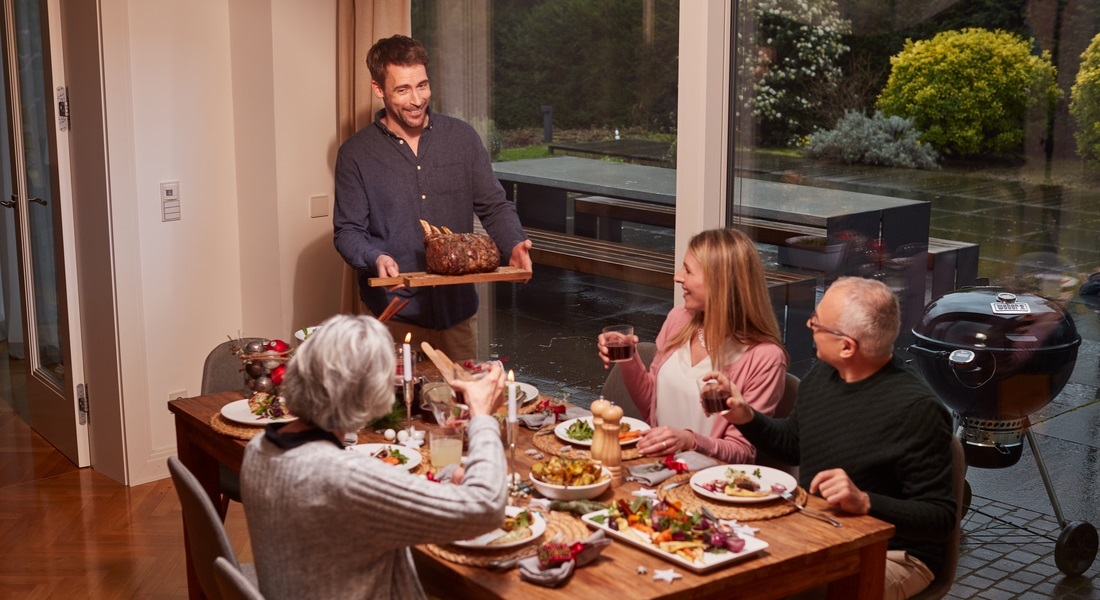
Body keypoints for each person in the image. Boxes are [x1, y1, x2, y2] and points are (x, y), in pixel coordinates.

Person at [713, 276, 956, 600]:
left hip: (894, 555)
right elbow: (795, 444)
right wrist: (746, 417)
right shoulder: (825, 374)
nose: (810, 325)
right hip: (820, 533)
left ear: (846, 346)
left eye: (818, 323)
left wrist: (865, 502)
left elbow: (940, 518)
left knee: (782, 591)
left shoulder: (918, 410)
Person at [240, 314, 508, 600]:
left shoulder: (258, 451)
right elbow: (486, 508)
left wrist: (443, 480)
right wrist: (482, 417)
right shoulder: (344, 477)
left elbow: (338, 512)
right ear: (371, 393)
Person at [333, 34, 532, 359]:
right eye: (403, 89)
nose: (416, 99)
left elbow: (494, 205)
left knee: (464, 407)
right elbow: (348, 232)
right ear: (378, 89)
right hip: (394, 316)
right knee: (399, 409)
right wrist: (375, 258)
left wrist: (514, 243)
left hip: (457, 313)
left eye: (422, 86)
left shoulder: (462, 138)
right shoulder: (355, 154)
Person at [597, 227, 787, 462]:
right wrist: (627, 357)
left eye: (688, 270)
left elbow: (743, 452)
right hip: (654, 467)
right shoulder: (679, 319)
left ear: (721, 282)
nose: (677, 277)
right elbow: (650, 407)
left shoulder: (765, 357)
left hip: (707, 483)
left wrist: (691, 441)